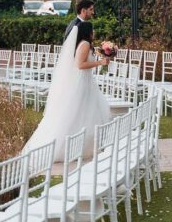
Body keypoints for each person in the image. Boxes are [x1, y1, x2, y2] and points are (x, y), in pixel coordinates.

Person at [23, 21, 111, 161]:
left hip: (87, 81)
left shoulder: (85, 44)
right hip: (83, 81)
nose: (94, 33)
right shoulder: (85, 44)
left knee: (86, 113)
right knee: (79, 112)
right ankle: (68, 147)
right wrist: (100, 63)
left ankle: (84, 146)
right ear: (87, 32)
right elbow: (80, 65)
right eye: (92, 30)